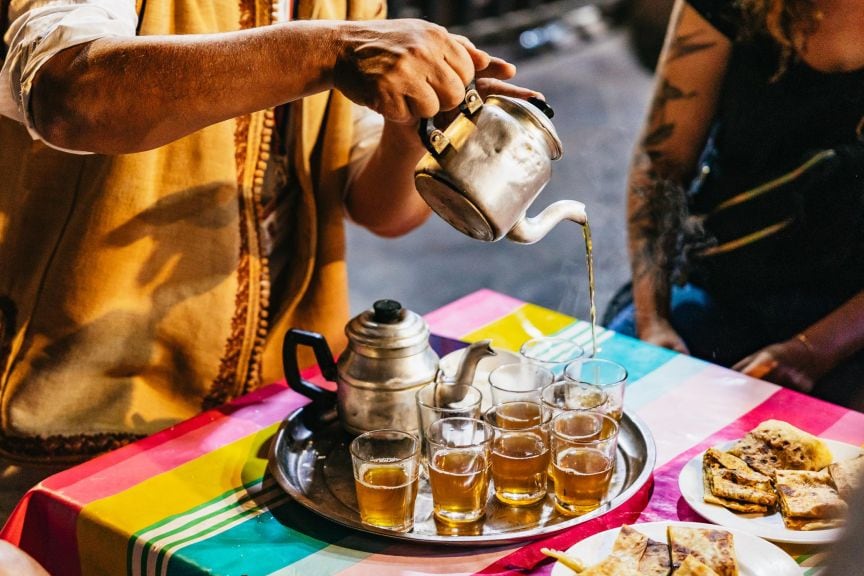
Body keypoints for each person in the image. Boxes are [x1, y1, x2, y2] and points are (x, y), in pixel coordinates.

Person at [0, 0, 539, 470]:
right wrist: (330, 51)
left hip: (287, 395)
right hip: (84, 408)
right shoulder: (343, 38)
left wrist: (412, 125)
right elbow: (70, 97)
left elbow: (381, 211)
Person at [605, 0, 864, 409]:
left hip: (850, 314)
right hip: (722, 277)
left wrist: (814, 351)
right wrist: (652, 319)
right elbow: (662, 164)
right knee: (608, 409)